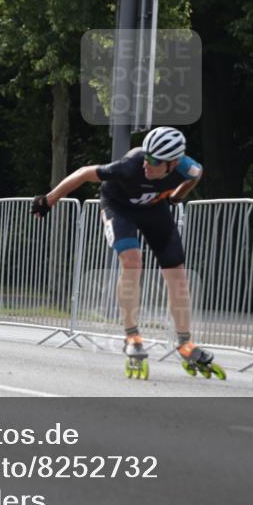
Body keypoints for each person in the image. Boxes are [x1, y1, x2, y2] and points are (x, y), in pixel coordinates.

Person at [31, 126, 224, 380]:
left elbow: (195, 176)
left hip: (153, 209)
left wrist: (176, 198)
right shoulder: (130, 165)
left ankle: (185, 343)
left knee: (177, 272)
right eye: (147, 156)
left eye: (155, 161)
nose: (147, 164)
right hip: (118, 207)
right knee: (133, 261)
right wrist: (48, 200)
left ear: (173, 163)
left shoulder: (188, 168)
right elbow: (84, 173)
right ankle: (132, 336)